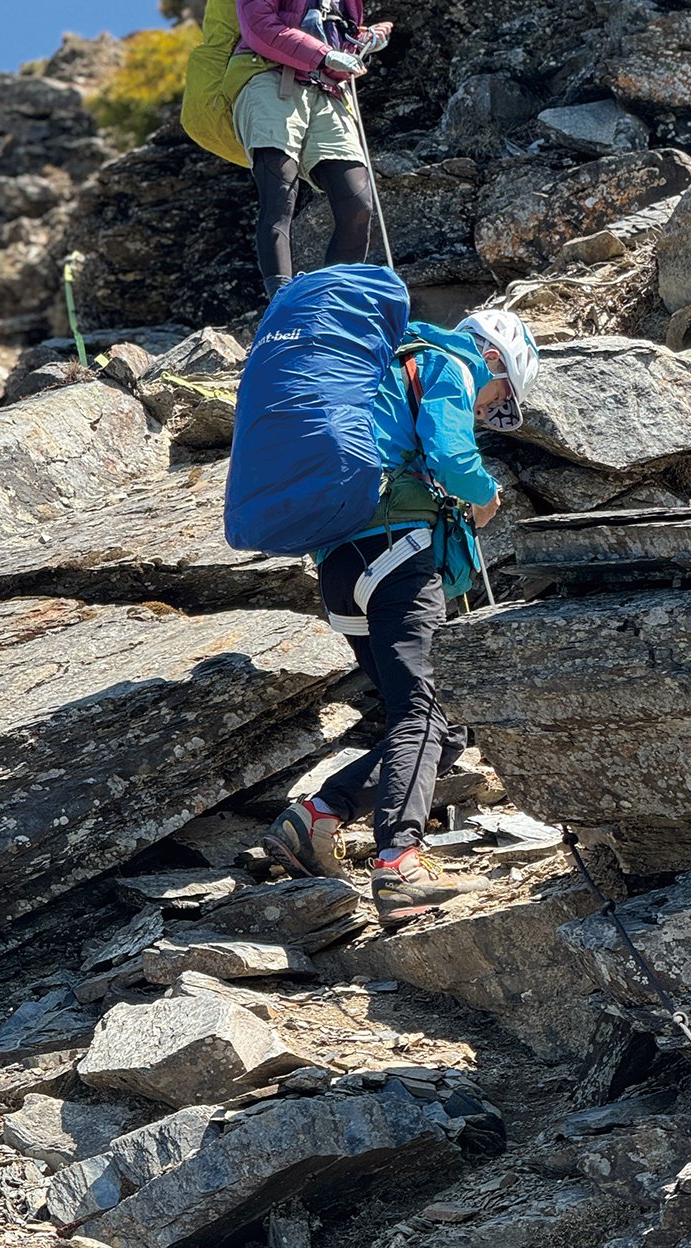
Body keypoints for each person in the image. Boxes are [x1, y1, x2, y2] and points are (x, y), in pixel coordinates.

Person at [264, 307, 541, 927]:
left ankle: (314, 820)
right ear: (494, 358)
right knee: (421, 711)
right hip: (398, 554)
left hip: (340, 569)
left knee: (440, 730)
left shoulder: (383, 375)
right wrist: (485, 492)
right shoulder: (447, 362)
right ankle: (400, 863)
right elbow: (449, 453)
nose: (489, 412)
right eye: (501, 400)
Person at [232, 0, 393, 298]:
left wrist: (364, 39)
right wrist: (326, 55)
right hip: (269, 79)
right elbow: (259, 26)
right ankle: (280, 304)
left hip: (326, 89)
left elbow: (338, 33)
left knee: (358, 204)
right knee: (278, 196)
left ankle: (330, 306)